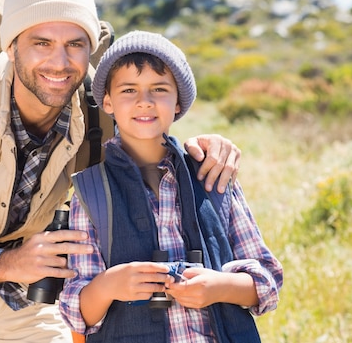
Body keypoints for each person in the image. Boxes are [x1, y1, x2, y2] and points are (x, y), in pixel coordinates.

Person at [0, 0, 243, 343]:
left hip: (31, 296)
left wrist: (202, 148)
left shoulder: (97, 110)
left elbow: (150, 134)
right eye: (41, 43)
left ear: (91, 49)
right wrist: (7, 264)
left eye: (75, 44)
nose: (60, 62)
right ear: (11, 46)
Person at [59, 30, 283, 342]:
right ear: (107, 102)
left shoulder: (212, 173)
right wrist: (110, 285)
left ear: (178, 103)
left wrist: (219, 287)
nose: (144, 102)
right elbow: (76, 314)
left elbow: (268, 282)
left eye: (159, 89)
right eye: (129, 90)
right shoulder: (90, 192)